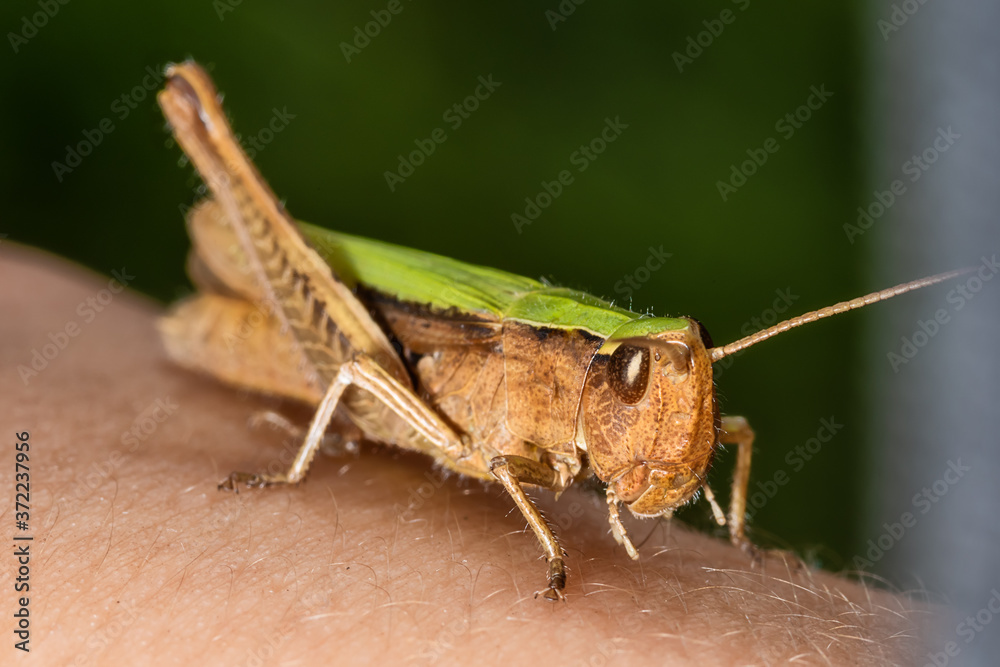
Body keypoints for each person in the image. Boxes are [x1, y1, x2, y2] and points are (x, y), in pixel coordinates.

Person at [3, 247, 929, 665]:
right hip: (327, 339)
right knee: (365, 374)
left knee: (738, 434)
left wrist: (736, 535)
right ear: (606, 361)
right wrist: (554, 554)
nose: (672, 414)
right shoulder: (541, 367)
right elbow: (363, 377)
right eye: (646, 377)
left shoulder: (621, 385)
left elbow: (735, 439)